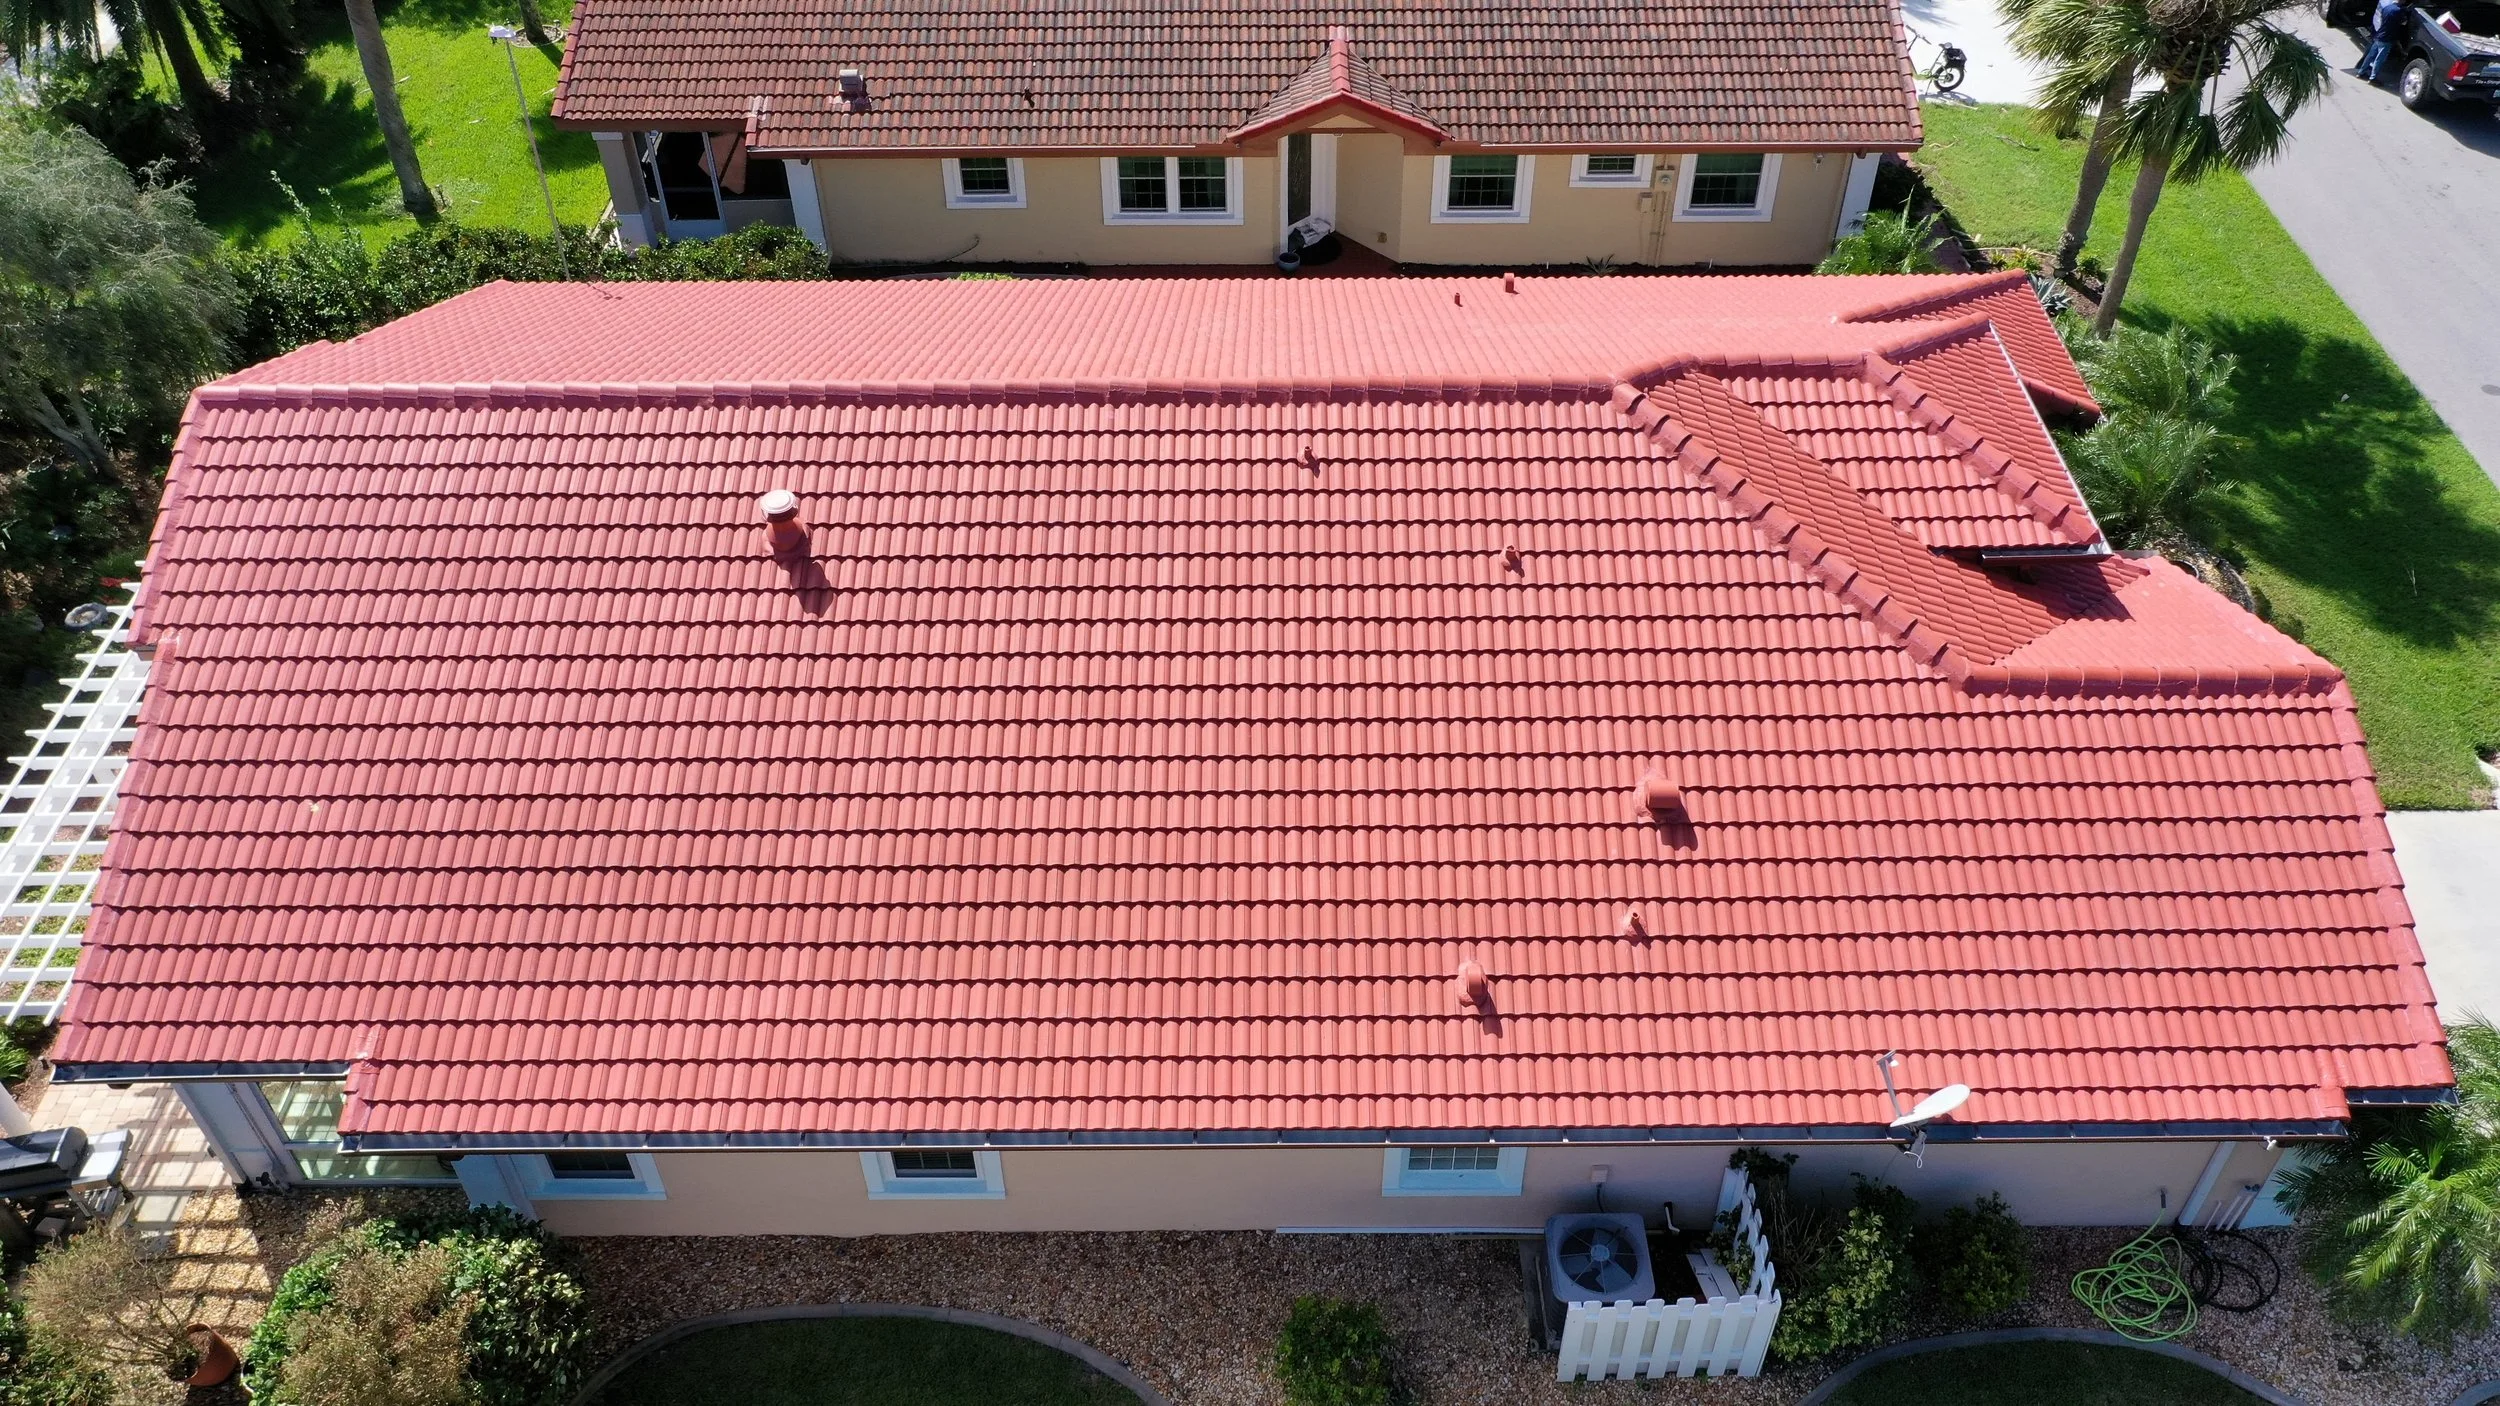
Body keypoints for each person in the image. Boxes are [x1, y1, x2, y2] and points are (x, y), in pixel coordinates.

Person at [2358, 0, 2409, 81]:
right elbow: (2404, 23)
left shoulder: (2386, 8)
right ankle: (2373, 78)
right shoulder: (2398, 11)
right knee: (2379, 59)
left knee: (2370, 55)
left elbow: (2382, 19)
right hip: (2387, 38)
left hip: (2379, 35)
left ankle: (2361, 72)